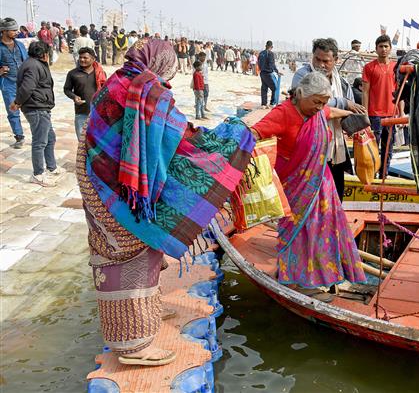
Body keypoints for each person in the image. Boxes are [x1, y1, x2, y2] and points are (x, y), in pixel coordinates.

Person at [77, 38, 255, 366]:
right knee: (126, 256)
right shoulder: (149, 93)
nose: (170, 73)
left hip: (99, 174)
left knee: (140, 252)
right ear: (160, 62)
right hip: (118, 188)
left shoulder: (119, 79)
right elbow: (181, 138)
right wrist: (231, 139)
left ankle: (149, 313)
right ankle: (132, 345)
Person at [251, 71, 366, 302]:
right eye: (316, 102)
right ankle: (295, 281)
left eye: (322, 102)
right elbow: (255, 132)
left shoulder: (316, 110)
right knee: (298, 233)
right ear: (300, 93)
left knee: (321, 230)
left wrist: (351, 111)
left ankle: (317, 277)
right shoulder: (283, 113)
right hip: (294, 185)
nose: (319, 107)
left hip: (321, 185)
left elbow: (328, 112)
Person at [291, 38, 367, 199]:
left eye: (326, 61)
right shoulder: (303, 76)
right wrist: (343, 103)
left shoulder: (343, 83)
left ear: (335, 61)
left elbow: (349, 107)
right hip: (309, 147)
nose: (321, 65)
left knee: (336, 194)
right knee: (310, 197)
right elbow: (310, 101)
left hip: (335, 146)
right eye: (317, 59)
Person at [10, 41, 59, 187]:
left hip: (42, 106)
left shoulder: (35, 63)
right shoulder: (32, 65)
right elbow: (27, 87)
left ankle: (51, 167)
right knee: (40, 141)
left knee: (50, 137)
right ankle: (38, 174)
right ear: (44, 54)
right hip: (36, 108)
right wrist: (17, 102)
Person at [362, 35, 397, 176]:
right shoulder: (369, 67)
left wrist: (400, 113)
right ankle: (373, 174)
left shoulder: (396, 67)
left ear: (390, 48)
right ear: (376, 49)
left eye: (386, 46)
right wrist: (364, 113)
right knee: (373, 147)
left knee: (388, 147)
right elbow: (365, 91)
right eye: (381, 46)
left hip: (391, 114)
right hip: (374, 114)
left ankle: (384, 174)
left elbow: (400, 91)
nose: (383, 49)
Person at [63, 47, 104, 140]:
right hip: (81, 112)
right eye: (80, 57)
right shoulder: (73, 73)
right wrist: (74, 97)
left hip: (97, 113)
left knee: (97, 142)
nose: (82, 60)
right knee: (82, 142)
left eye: (85, 58)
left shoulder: (100, 73)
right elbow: (67, 89)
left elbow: (105, 89)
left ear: (93, 59)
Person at [0, 17, 27, 149]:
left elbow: (27, 62)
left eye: (16, 30)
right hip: (8, 84)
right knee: (13, 110)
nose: (16, 32)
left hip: (24, 83)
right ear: (4, 31)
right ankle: (19, 136)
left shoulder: (20, 45)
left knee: (31, 108)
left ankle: (39, 133)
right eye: (13, 30)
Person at [258, 41, 282, 108]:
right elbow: (272, 64)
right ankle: (272, 103)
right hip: (268, 73)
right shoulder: (270, 53)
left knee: (264, 88)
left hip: (262, 73)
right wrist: (277, 72)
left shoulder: (261, 53)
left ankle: (264, 104)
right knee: (275, 88)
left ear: (266, 45)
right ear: (271, 47)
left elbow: (259, 63)